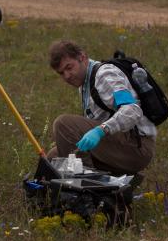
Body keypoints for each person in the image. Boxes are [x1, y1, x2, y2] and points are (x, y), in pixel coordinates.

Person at [47, 40, 156, 175]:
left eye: (69, 67)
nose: (67, 76)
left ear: (82, 57)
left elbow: (132, 110)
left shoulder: (104, 75)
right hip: (121, 144)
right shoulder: (84, 83)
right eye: (61, 73)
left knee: (63, 124)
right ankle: (111, 185)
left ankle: (84, 185)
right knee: (54, 157)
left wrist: (100, 130)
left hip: (136, 147)